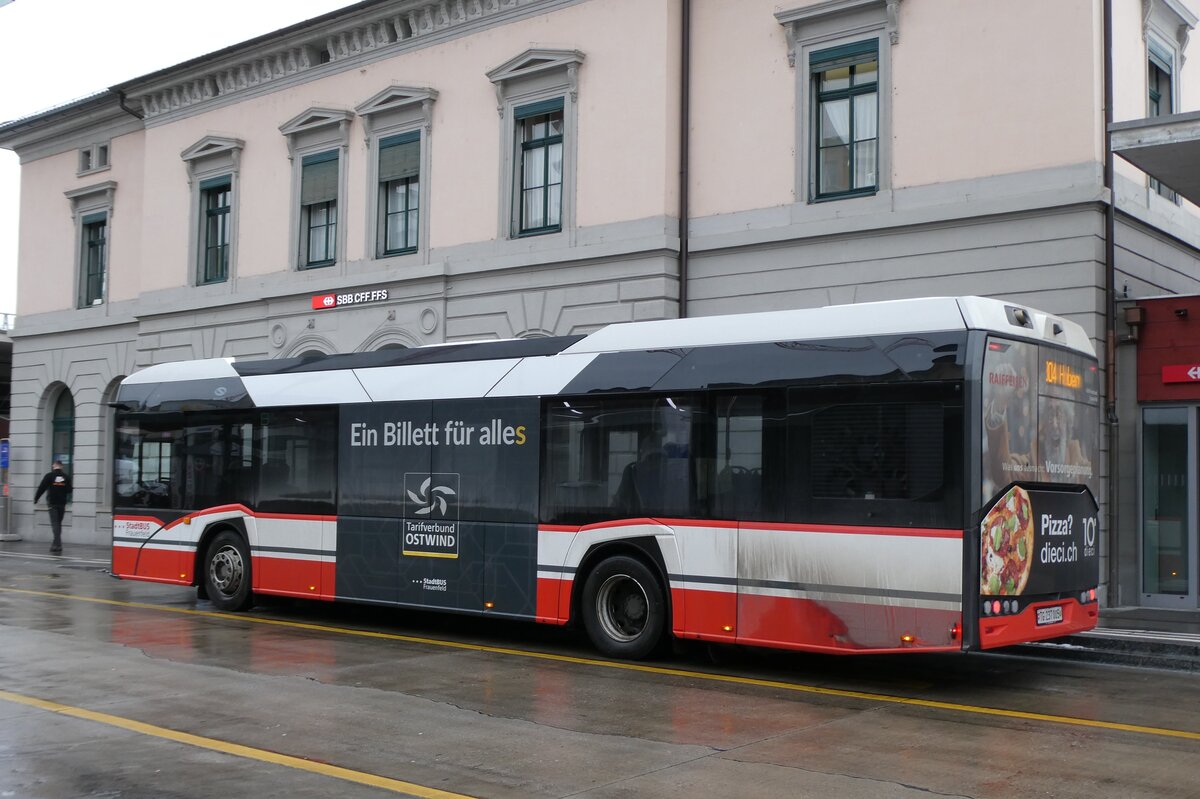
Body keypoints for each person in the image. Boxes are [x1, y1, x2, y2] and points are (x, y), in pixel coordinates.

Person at [34, 460, 72, 555]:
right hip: (62, 503)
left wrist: (36, 498)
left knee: (55, 524)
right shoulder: (65, 477)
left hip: (52, 503)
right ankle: (56, 545)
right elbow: (69, 490)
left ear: (53, 466)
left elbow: (41, 488)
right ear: (61, 466)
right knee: (58, 523)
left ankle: (57, 545)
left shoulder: (49, 476)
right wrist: (61, 487)